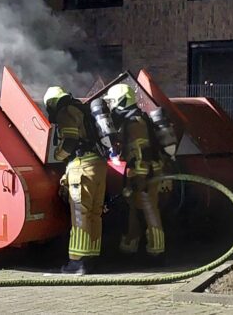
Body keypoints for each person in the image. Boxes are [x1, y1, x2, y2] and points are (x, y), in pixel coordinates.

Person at [43, 86, 107, 275]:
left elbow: (70, 140)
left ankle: (77, 262)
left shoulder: (65, 112)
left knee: (80, 214)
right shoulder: (82, 109)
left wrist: (58, 154)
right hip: (99, 166)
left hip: (81, 167)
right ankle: (91, 259)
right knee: (95, 214)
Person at [102, 83, 166, 258]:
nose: (111, 106)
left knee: (148, 209)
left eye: (113, 102)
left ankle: (157, 252)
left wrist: (141, 177)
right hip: (139, 171)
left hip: (145, 172)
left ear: (121, 101)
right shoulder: (134, 118)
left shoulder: (135, 121)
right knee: (133, 207)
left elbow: (141, 151)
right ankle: (131, 245)